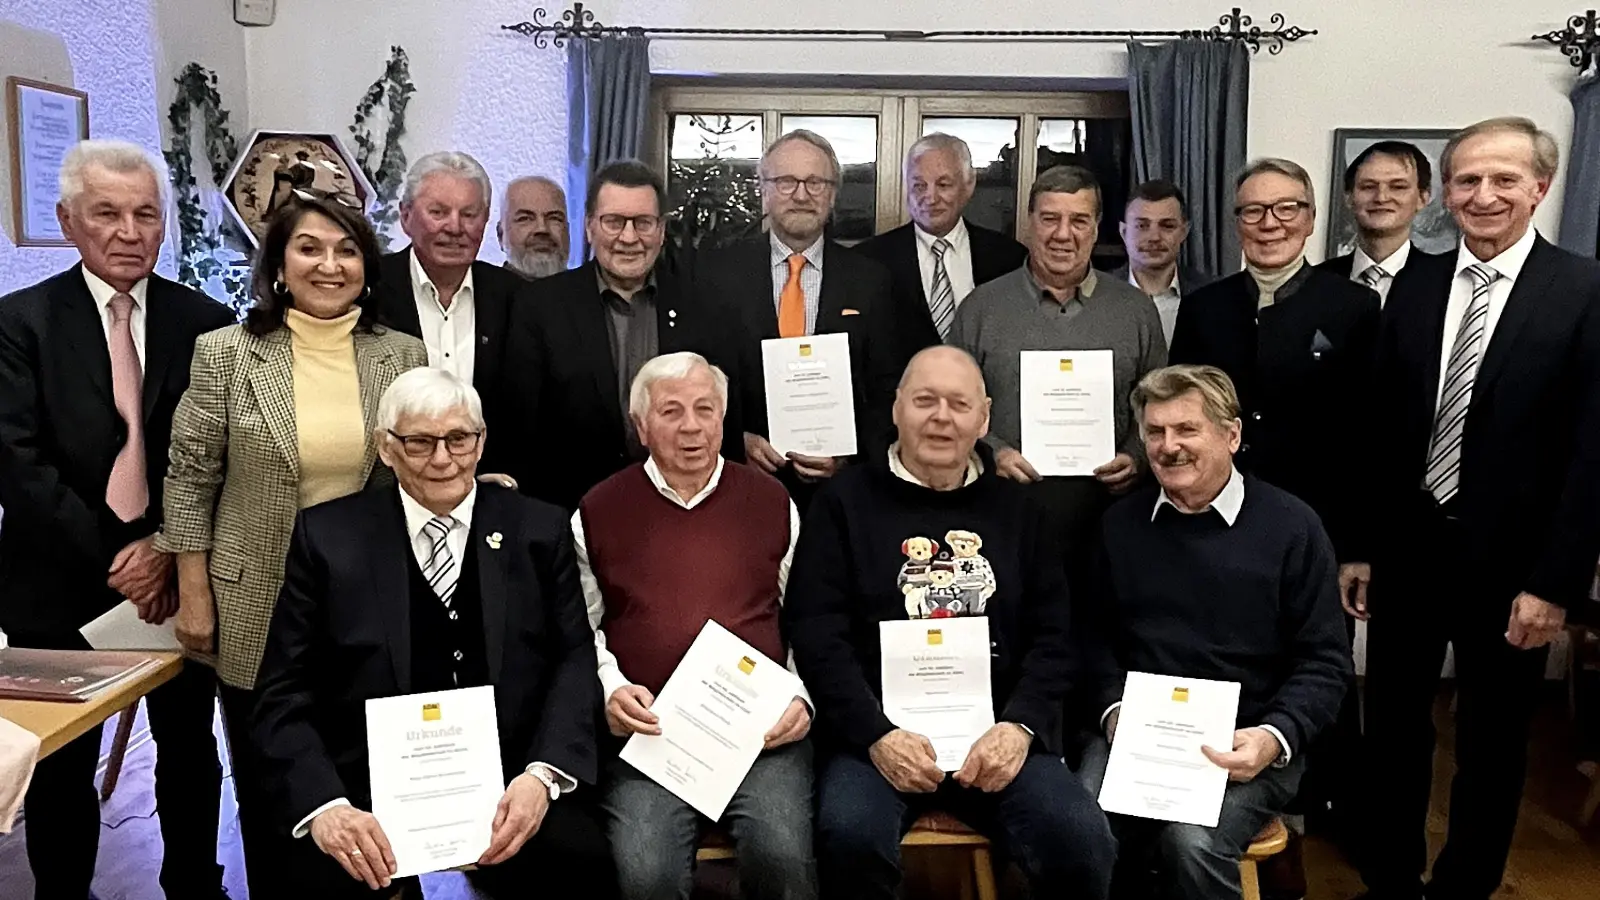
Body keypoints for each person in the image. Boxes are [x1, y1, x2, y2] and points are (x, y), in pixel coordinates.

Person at [1351, 117, 1600, 900]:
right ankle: (1391, 879)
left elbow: (1595, 453)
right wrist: (1359, 547)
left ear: (1540, 187)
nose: (1482, 196)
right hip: (1408, 553)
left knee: (1492, 744)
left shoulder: (1585, 291)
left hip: (1515, 570)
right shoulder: (1416, 285)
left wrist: (1555, 583)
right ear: (1445, 193)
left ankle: (1463, 887)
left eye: (1503, 179)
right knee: (1392, 730)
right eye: (1466, 180)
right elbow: (1380, 431)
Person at [251, 367, 617, 898]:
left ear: (481, 442)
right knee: (311, 879)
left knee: (582, 864)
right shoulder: (327, 537)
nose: (443, 459)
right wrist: (328, 808)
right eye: (420, 442)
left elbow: (573, 660)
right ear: (386, 448)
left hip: (512, 776)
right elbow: (283, 689)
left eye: (458, 439)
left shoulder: (538, 529)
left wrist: (542, 776)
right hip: (364, 788)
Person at [158, 195, 428, 899]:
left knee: (370, 786)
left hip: (365, 605)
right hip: (256, 602)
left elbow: (420, 470)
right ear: (278, 264)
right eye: (309, 248)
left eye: (346, 250)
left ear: (367, 268)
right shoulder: (226, 353)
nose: (329, 265)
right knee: (274, 787)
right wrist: (193, 596)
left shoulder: (402, 354)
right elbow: (190, 478)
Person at [785, 345, 1115, 900]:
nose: (941, 416)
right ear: (896, 409)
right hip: (876, 741)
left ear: (984, 418)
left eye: (959, 404)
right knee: (848, 836)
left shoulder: (1022, 513)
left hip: (1000, 739)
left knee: (1081, 840)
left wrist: (1019, 729)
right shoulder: (842, 505)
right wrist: (877, 735)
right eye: (924, 401)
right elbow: (818, 635)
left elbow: (1056, 639)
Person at [0, 139, 234, 900]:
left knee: (190, 749)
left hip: (178, 580)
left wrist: (165, 549)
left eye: (146, 214)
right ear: (69, 221)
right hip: (56, 584)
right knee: (62, 764)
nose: (130, 232)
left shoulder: (209, 322)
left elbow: (223, 455)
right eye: (108, 213)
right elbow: (16, 462)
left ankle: (195, 883)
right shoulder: (18, 325)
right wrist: (120, 555)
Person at [1077, 364, 1350, 900]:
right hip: (1134, 735)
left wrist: (1274, 737)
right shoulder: (1119, 527)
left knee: (1192, 841)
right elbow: (1091, 640)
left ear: (1232, 435)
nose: (1168, 447)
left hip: (1245, 739)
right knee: (1077, 825)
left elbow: (1325, 662)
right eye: (1155, 432)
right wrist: (1112, 712)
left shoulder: (1293, 527)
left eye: (1186, 430)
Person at [576, 352, 815, 900]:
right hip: (651, 731)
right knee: (646, 873)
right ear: (641, 426)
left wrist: (800, 697)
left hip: (761, 734)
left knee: (783, 857)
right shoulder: (597, 509)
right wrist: (611, 691)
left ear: (723, 419)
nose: (691, 427)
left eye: (705, 409)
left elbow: (803, 616)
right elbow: (582, 628)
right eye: (671, 411)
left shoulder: (773, 501)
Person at [948, 164, 1166, 595]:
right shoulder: (981, 309)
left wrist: (1137, 457)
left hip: (1110, 525)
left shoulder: (1136, 312)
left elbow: (1159, 404)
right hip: (1004, 523)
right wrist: (994, 452)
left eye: (1079, 220)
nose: (1063, 234)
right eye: (1050, 218)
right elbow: (952, 406)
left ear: (1097, 227)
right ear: (1029, 224)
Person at [1169, 158, 1379, 564]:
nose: (1270, 223)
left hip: (1316, 521)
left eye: (1287, 208)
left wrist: (1356, 550)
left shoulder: (1354, 306)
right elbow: (1180, 413)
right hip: (1213, 513)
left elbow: (1366, 435)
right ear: (1237, 222)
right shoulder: (1203, 307)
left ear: (1311, 219)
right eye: (1254, 210)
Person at [503, 161, 745, 511]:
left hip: (683, 512)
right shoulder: (541, 308)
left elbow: (726, 426)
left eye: (643, 223)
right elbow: (522, 430)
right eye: (614, 222)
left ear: (661, 230)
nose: (628, 238)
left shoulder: (707, 309)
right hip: (572, 514)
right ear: (589, 227)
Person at [695, 129, 900, 509]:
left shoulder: (871, 281)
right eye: (786, 182)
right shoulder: (715, 275)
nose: (802, 195)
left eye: (815, 182)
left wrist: (848, 454)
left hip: (841, 496)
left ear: (833, 193)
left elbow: (886, 389)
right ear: (764, 189)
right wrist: (735, 439)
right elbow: (700, 374)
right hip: (740, 487)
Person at [370, 151, 525, 469]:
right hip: (389, 487)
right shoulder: (368, 291)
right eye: (438, 212)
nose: (455, 228)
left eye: (469, 214)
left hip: (490, 489)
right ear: (406, 216)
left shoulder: (517, 297)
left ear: (485, 221)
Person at [854, 133, 1026, 363]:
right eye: (919, 185)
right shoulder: (869, 261)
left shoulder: (1009, 259)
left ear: (969, 185)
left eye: (943, 185)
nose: (930, 197)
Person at [1320, 140, 1441, 306]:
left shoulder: (1444, 282)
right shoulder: (1315, 281)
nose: (1381, 197)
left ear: (1423, 198)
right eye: (1368, 187)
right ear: (1348, 197)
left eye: (1398, 187)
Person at [1109, 179, 1211, 346]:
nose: (1154, 237)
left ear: (1184, 232)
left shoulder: (1210, 297)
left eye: (1167, 226)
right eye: (1142, 226)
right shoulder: (1098, 296)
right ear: (1124, 231)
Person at [498, 174, 570, 279]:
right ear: (500, 235)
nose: (542, 228)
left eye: (554, 218)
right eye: (525, 218)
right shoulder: (481, 293)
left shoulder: (591, 293)